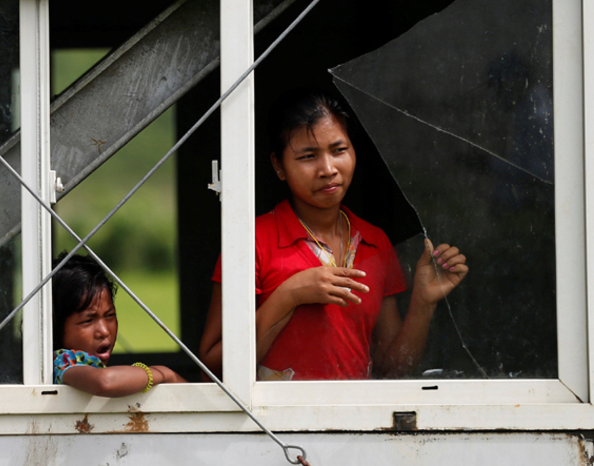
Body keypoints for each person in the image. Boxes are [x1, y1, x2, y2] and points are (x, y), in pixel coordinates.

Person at [198, 88, 469, 381]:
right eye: (308, 156)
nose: (328, 169)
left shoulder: (374, 241)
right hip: (273, 423)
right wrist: (290, 295)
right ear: (279, 166)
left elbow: (391, 370)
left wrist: (422, 303)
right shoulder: (251, 242)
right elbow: (213, 369)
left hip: (354, 423)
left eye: (339, 150)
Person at [52, 253, 186, 396]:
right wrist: (164, 374)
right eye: (88, 320)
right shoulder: (61, 362)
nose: (104, 331)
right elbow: (106, 382)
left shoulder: (89, 365)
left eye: (110, 315)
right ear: (54, 325)